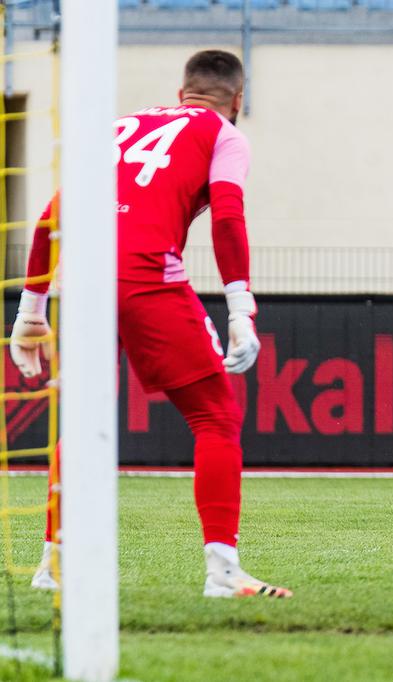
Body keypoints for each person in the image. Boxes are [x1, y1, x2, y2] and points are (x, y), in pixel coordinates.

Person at [11, 50, 291, 598]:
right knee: (215, 416)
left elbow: (51, 214)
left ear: (180, 88)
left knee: (86, 422)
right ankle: (223, 572)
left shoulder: (121, 125)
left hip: (84, 279)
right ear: (238, 99)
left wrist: (30, 312)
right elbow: (229, 215)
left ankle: (55, 564)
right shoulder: (223, 133)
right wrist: (240, 310)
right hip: (145, 274)